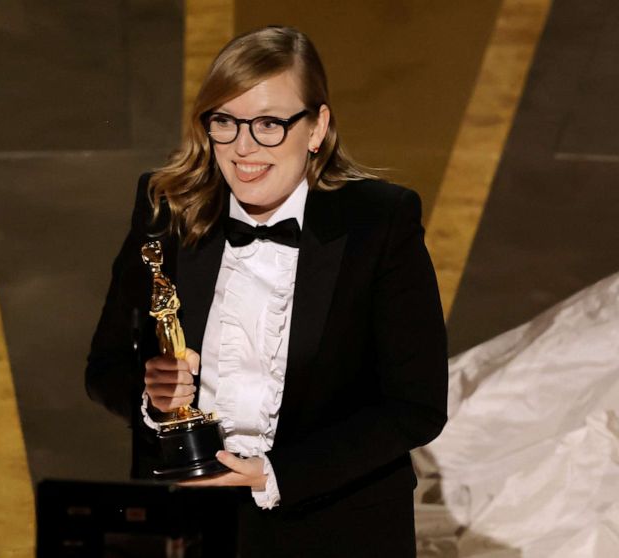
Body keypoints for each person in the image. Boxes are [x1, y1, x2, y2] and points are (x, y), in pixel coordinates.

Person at [85, 25, 447, 556]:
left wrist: (273, 475)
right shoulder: (169, 208)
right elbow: (105, 366)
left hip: (335, 527)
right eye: (226, 122)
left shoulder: (379, 222)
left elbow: (415, 405)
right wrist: (154, 397)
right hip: (191, 526)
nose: (244, 146)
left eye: (270, 123)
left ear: (317, 126)